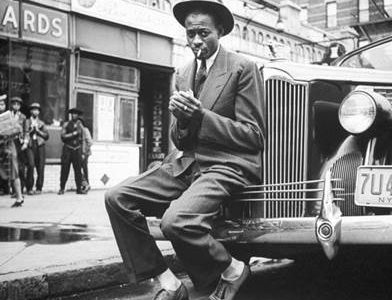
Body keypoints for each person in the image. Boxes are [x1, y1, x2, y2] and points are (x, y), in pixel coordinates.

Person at [105, 1, 264, 299]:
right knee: (117, 198)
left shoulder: (243, 68)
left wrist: (201, 115)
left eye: (203, 33)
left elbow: (254, 136)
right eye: (190, 34)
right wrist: (181, 120)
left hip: (226, 166)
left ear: (220, 31)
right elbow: (180, 140)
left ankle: (232, 269)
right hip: (186, 165)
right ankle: (169, 283)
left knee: (176, 221)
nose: (196, 41)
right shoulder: (182, 73)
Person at [0, 95, 24, 207]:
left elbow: (19, 129)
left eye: (2, 104)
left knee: (14, 171)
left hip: (9, 145)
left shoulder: (10, 117)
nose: (1, 106)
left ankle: (19, 197)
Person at [58, 108, 86, 195]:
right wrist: (73, 134)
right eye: (73, 114)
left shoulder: (81, 125)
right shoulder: (66, 124)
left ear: (78, 116)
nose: (74, 115)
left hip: (77, 149)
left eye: (76, 114)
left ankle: (79, 188)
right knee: (64, 169)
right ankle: (62, 188)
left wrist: (83, 152)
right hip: (67, 149)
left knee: (78, 170)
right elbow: (63, 136)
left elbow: (83, 139)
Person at [25, 103, 49, 195]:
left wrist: (38, 131)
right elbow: (24, 133)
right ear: (31, 111)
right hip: (30, 145)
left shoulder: (41, 123)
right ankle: (29, 188)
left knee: (40, 167)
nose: (35, 111)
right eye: (33, 109)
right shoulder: (27, 121)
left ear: (39, 112)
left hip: (40, 145)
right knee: (31, 165)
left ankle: (39, 187)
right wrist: (31, 130)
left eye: (37, 110)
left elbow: (47, 136)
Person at [10, 96, 27, 194]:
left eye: (18, 104)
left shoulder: (23, 117)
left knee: (20, 166)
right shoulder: (8, 115)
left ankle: (21, 190)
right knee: (12, 166)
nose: (16, 106)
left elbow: (26, 131)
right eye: (14, 104)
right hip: (10, 141)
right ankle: (13, 190)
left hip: (19, 142)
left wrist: (25, 142)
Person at [80, 118, 93, 192]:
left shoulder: (85, 130)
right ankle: (85, 184)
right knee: (81, 170)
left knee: (84, 170)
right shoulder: (79, 131)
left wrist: (84, 153)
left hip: (84, 153)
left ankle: (86, 185)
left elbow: (90, 142)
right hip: (80, 153)